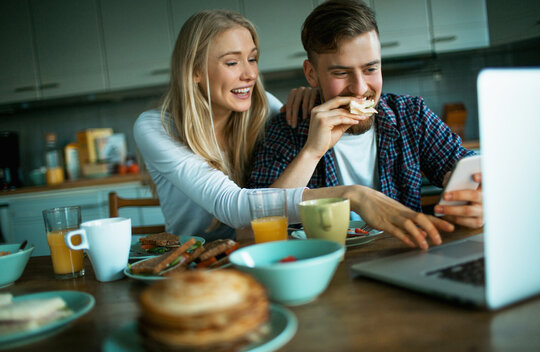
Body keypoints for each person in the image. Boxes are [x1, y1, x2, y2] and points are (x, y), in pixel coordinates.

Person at [134, 9, 454, 250]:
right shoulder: (155, 127)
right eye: (232, 63)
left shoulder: (267, 110)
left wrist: (314, 95)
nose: (249, 75)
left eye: (253, 59)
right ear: (194, 72)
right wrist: (350, 193)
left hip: (256, 254)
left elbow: (461, 166)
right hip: (193, 258)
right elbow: (237, 210)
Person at [249, 0, 483, 230]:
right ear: (311, 74)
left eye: (371, 69)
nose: (360, 88)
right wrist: (312, 152)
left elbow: (468, 168)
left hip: (404, 255)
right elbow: (256, 219)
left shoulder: (411, 115)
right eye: (341, 73)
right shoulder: (287, 128)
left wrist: (478, 196)